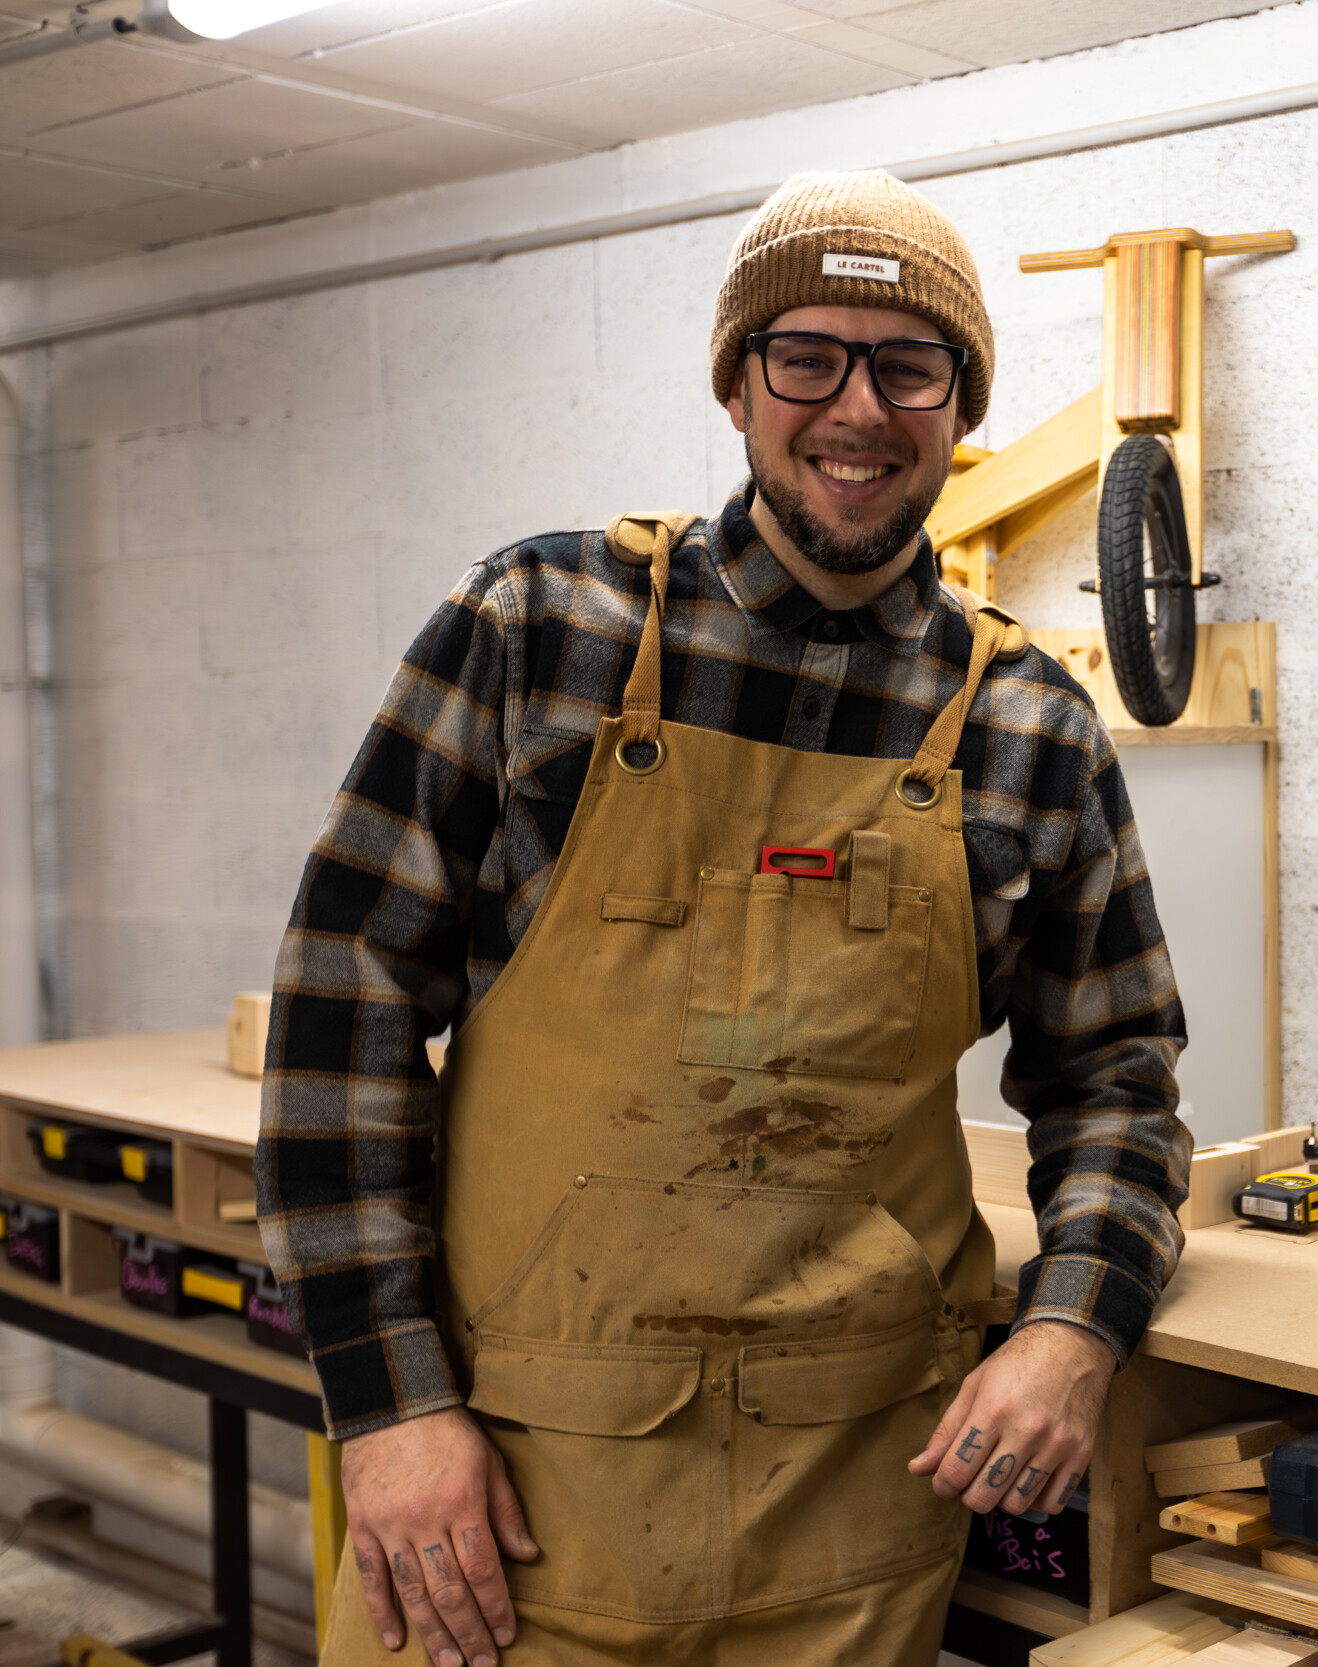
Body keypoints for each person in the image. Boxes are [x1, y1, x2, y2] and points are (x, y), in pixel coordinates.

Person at [255, 171, 1191, 1667]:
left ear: (960, 403)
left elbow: (1117, 1085)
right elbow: (336, 1020)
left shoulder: (1026, 724)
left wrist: (1073, 1332)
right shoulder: (540, 629)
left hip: (855, 1511)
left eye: (910, 365)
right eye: (807, 356)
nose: (858, 410)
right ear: (738, 384)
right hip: (505, 1506)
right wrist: (391, 1409)